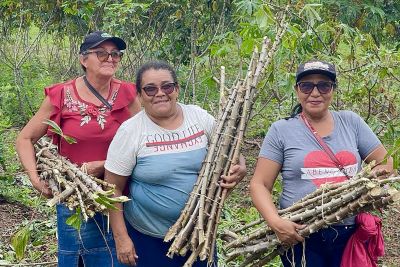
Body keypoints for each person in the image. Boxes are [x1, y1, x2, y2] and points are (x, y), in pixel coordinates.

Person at [250, 60, 393, 267]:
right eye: (307, 85)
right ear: (297, 90)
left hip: (349, 232)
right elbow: (259, 184)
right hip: (301, 234)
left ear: (333, 89)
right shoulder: (281, 130)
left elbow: (386, 163)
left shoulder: (351, 122)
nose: (315, 93)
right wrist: (276, 223)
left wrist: (361, 186)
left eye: (324, 85)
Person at [16, 31, 141, 267]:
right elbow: (25, 138)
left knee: (123, 256)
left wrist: (105, 165)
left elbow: (147, 139)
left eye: (115, 54)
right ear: (83, 60)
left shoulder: (128, 93)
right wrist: (34, 179)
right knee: (81, 257)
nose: (110, 58)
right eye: (101, 53)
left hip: (123, 194)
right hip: (75, 195)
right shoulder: (61, 94)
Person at [104, 60, 247, 267]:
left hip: (200, 232)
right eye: (150, 89)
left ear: (177, 89)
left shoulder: (199, 117)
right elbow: (112, 187)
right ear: (140, 95)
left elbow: (230, 148)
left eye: (167, 86)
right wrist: (121, 238)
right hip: (149, 237)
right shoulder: (131, 131)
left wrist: (239, 165)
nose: (160, 93)